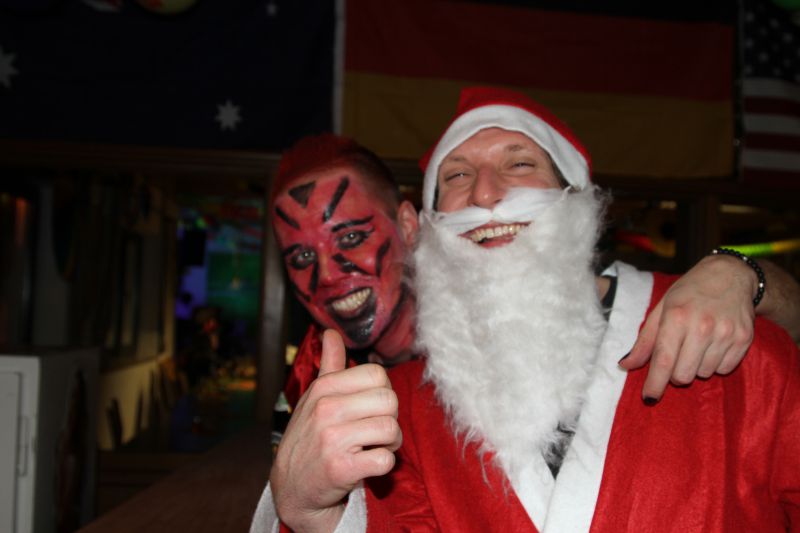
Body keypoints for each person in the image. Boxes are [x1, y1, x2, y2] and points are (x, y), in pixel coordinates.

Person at [260, 88, 800, 532]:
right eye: (457, 176)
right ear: (429, 225)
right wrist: (313, 515)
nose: (485, 194)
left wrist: (746, 273)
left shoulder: (718, 326)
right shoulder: (397, 404)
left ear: (576, 197)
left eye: (519, 163)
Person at [269, 134, 800, 411]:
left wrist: (740, 273)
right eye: (301, 258)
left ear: (410, 225)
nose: (329, 275)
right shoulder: (310, 384)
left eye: (352, 239)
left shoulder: (505, 307)